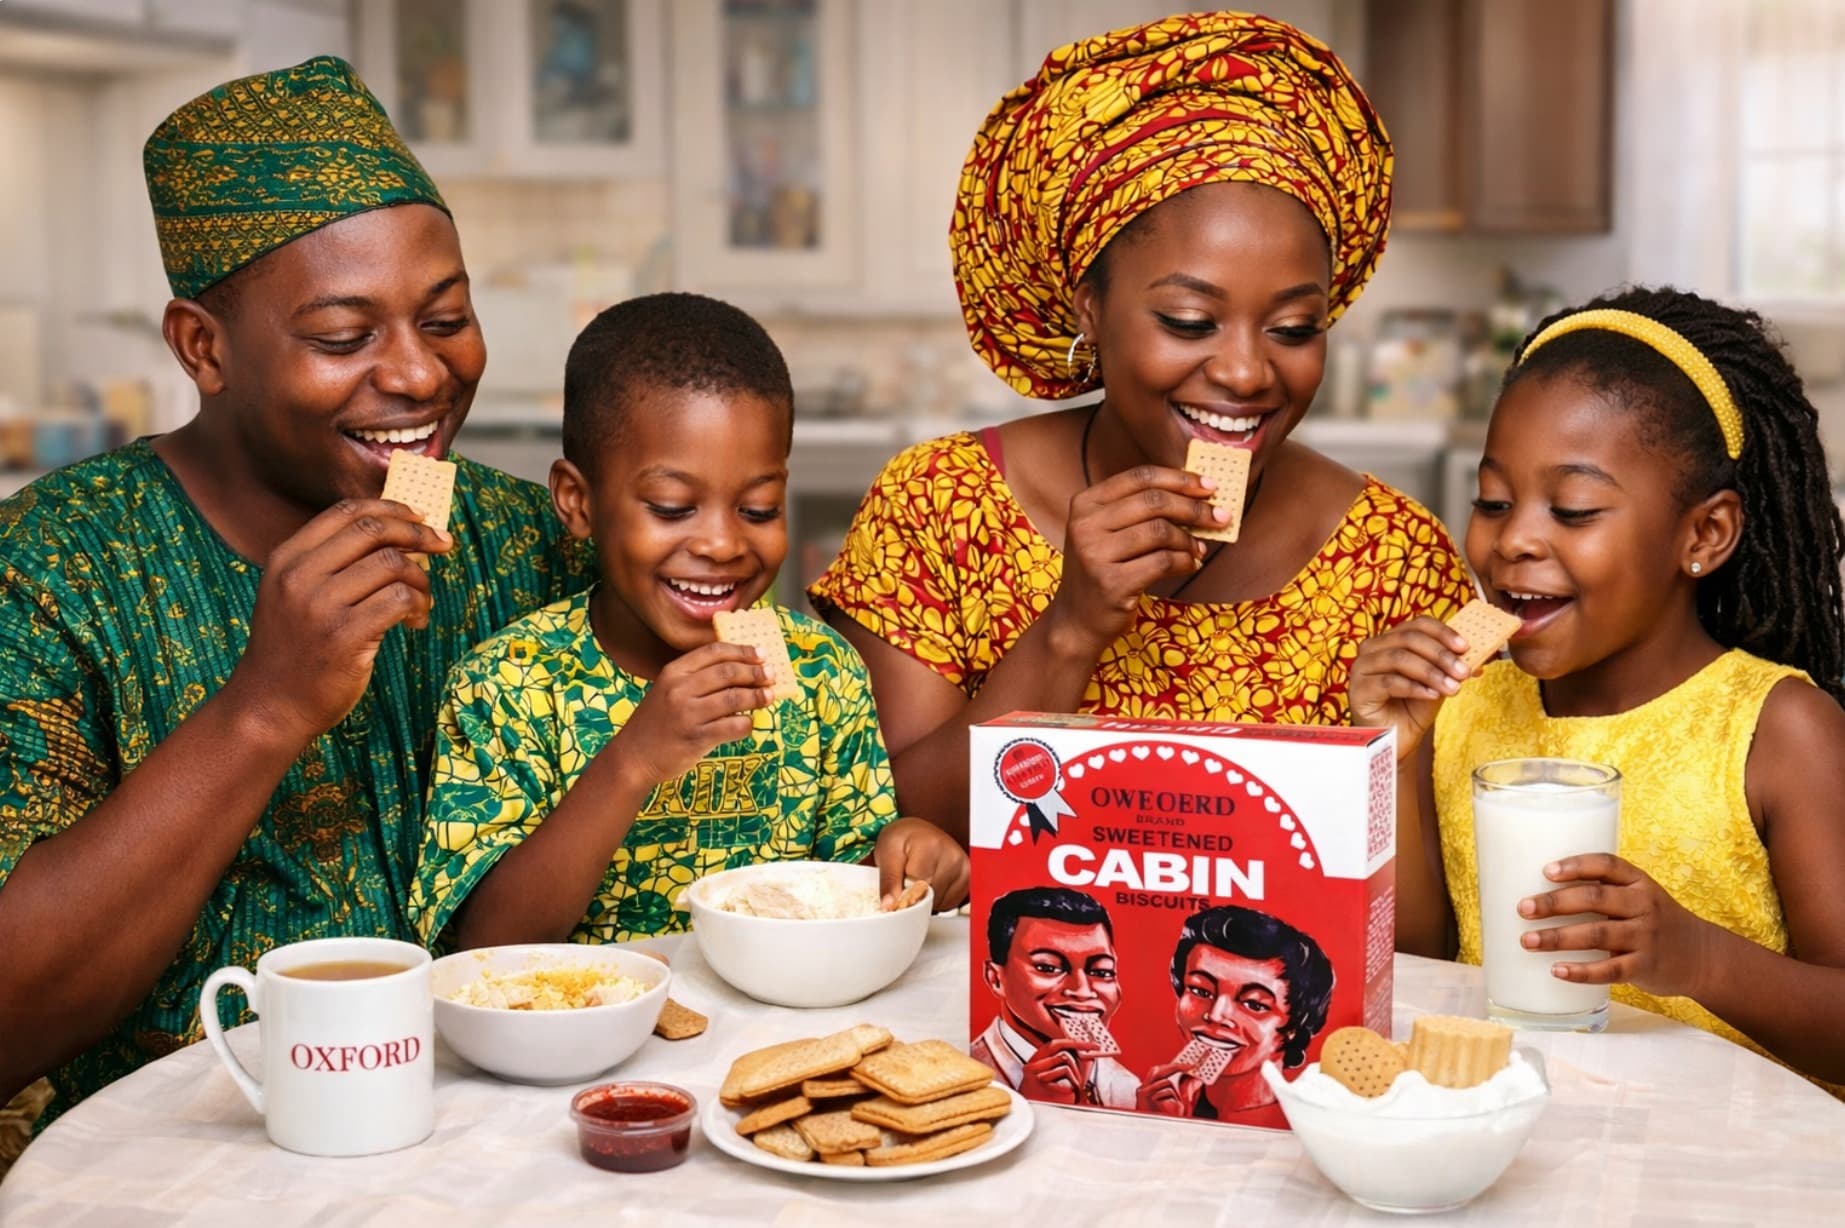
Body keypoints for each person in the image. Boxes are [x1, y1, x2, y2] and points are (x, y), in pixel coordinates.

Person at [0, 57, 592, 1138]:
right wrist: (267, 704)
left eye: (446, 317)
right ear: (203, 347)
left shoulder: (516, 542)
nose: (418, 376)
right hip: (176, 1174)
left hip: (506, 1151)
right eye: (343, 336)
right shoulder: (59, 567)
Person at [809, 13, 1474, 842]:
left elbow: (1424, 938)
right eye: (1190, 321)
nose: (1244, 372)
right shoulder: (940, 509)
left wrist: (1383, 751)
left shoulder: (1394, 561)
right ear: (1089, 305)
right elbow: (887, 827)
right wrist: (1070, 629)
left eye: (1295, 329)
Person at [1351, 286, 1845, 1089]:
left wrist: (1698, 958)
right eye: (1492, 502)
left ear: (1703, 534)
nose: (1514, 540)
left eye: (1573, 510)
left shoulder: (1777, 731)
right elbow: (1420, 968)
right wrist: (1395, 755)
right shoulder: (1464, 711)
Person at [406, 294, 968, 949]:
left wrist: (909, 854)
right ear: (577, 502)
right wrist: (634, 759)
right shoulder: (510, 682)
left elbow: (851, 888)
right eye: (672, 508)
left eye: (758, 510)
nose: (723, 545)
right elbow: (482, 948)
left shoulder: (811, 667)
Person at [1138, 904, 1334, 1122]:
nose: (1216, 1015)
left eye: (1254, 1005)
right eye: (1200, 990)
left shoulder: (1303, 1124)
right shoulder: (1165, 1103)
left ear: (1294, 1026)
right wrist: (1154, 1122)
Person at [972, 886, 1139, 1108]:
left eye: (1101, 972)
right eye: (1048, 967)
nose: (1082, 990)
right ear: (996, 979)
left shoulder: (1129, 1088)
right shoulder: (974, 1072)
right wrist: (1029, 1106)